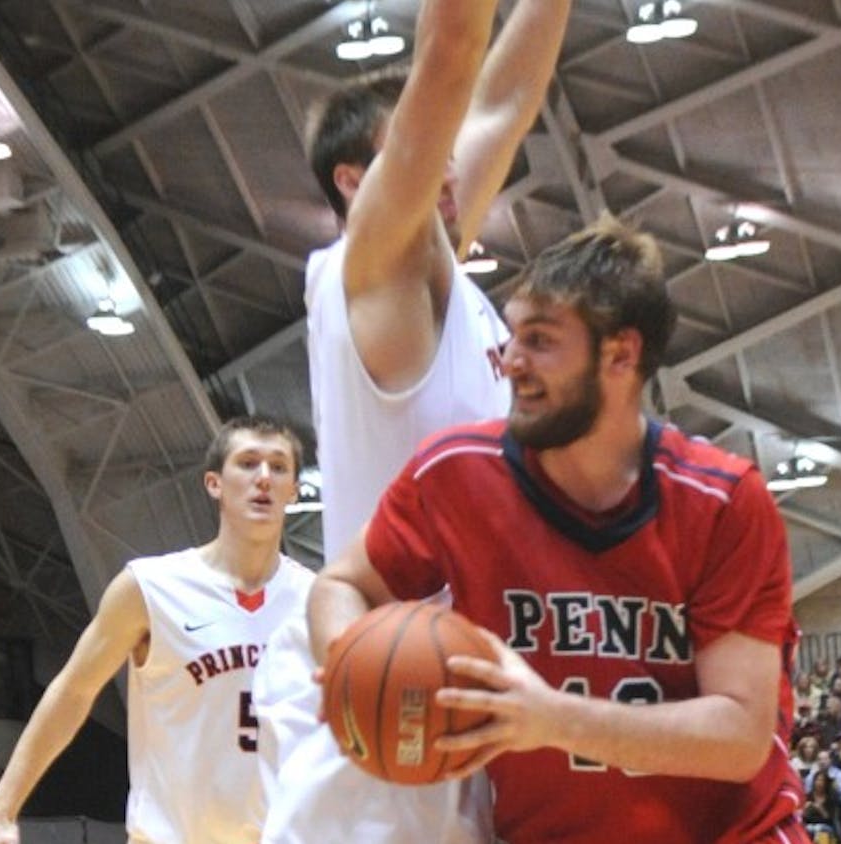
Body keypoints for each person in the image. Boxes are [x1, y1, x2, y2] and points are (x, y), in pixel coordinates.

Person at [308, 218, 807, 842]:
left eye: (540, 341)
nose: (511, 361)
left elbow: (738, 738)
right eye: (513, 335)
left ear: (620, 354)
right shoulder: (457, 472)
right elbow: (340, 584)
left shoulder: (722, 500)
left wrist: (552, 719)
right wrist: (349, 662)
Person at [257, 0, 573, 841]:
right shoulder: (372, 271)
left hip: (462, 692)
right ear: (357, 184)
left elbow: (504, 99)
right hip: (385, 699)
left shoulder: (445, 276)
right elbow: (457, 47)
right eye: (423, 145)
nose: (449, 161)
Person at [0, 417, 313, 844]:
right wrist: (1, 810)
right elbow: (73, 691)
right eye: (248, 462)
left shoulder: (320, 601)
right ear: (214, 483)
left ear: (292, 491)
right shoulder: (151, 587)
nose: (263, 478)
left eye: (278, 467)